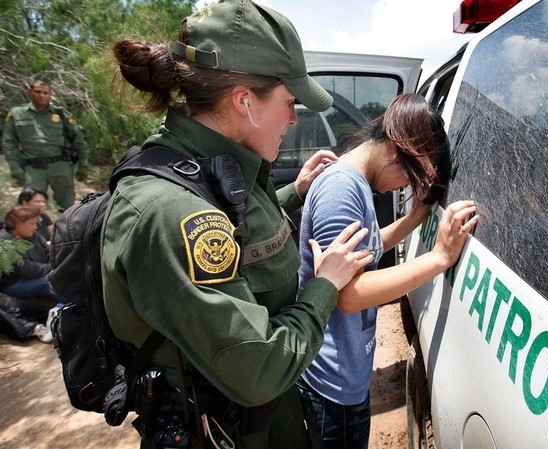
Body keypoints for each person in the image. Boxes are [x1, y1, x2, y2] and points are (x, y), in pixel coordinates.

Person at [103, 2, 373, 448]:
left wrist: (293, 194)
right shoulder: (174, 213)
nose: (292, 119)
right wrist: (324, 286)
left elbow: (239, 244)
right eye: (289, 103)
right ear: (245, 101)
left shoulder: (215, 169)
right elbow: (260, 370)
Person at [296, 93, 479, 449]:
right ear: (396, 152)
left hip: (343, 373)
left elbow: (364, 251)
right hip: (333, 383)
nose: (404, 188)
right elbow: (348, 294)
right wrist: (440, 257)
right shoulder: (342, 189)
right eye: (410, 179)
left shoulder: (355, 182)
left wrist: (416, 218)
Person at [1, 80, 88, 210]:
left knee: (67, 207)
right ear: (29, 92)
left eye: (45, 92)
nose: (42, 95)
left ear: (50, 94)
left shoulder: (60, 114)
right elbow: (9, 141)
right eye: (37, 92)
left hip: (60, 165)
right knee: (28, 206)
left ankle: (65, 230)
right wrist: (14, 166)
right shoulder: (17, 114)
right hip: (33, 167)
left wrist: (83, 164)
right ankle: (31, 230)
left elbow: (78, 139)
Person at [0, 206, 66, 342]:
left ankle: (62, 309)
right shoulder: (5, 242)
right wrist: (55, 268)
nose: (35, 227)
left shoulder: (33, 235)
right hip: (15, 284)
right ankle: (59, 314)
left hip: (39, 276)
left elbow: (50, 252)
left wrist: (55, 265)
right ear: (17, 224)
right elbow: (27, 271)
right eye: (31, 224)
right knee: (51, 280)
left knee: (57, 277)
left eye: (36, 223)